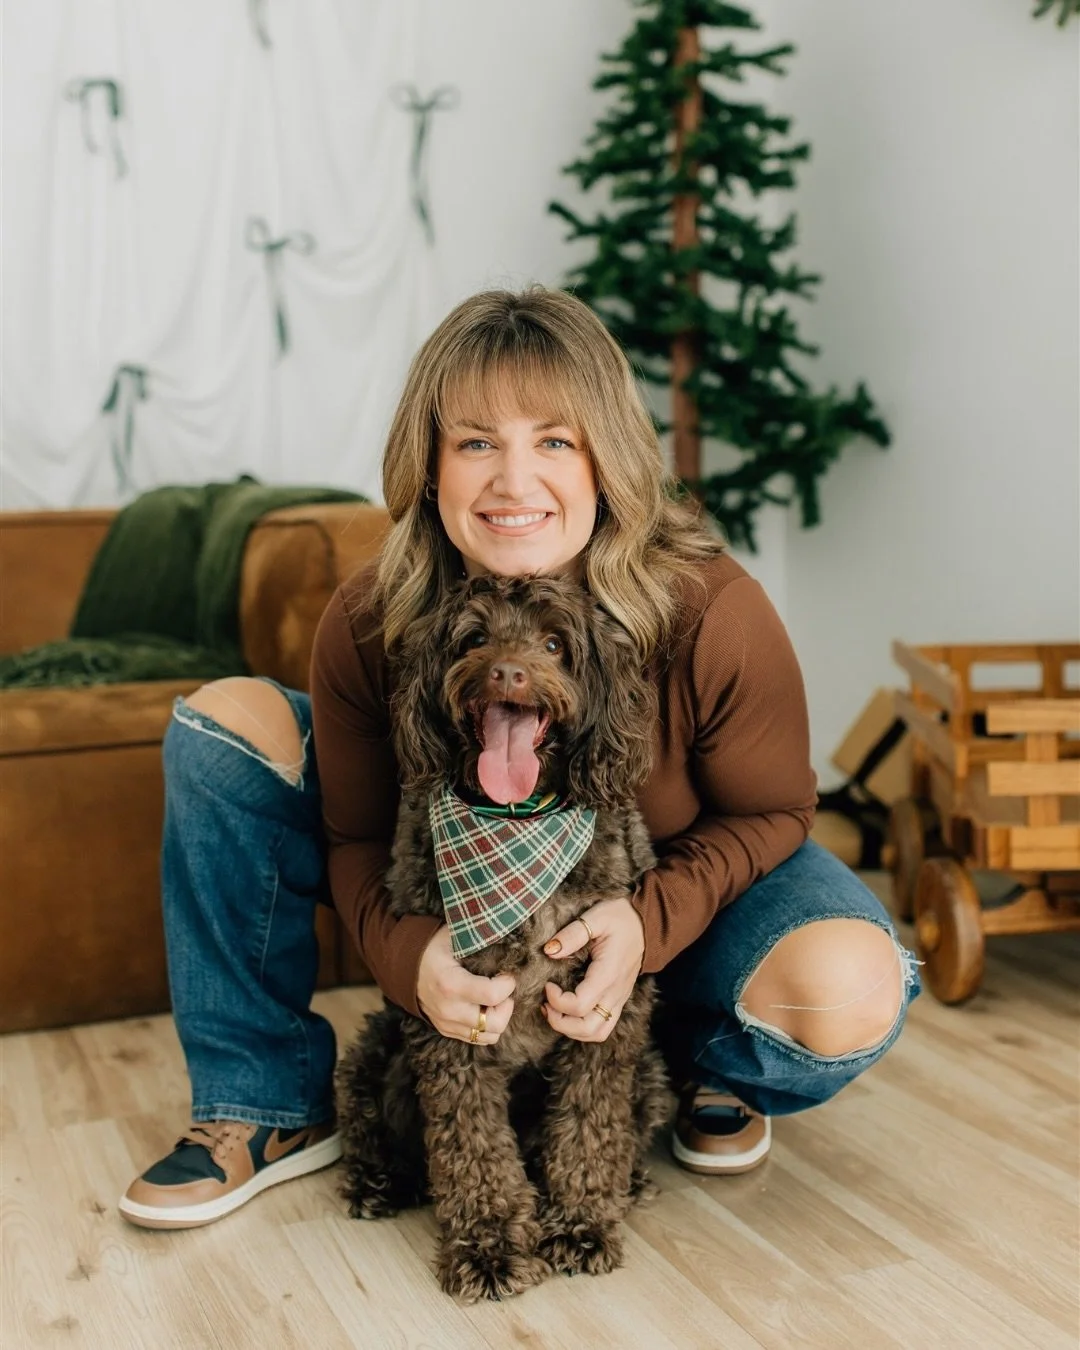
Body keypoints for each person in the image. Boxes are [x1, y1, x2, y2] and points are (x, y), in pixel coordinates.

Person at [119, 287, 921, 1230]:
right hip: (458, 904)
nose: (513, 480)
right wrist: (412, 957)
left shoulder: (709, 606)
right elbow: (357, 836)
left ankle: (696, 1064)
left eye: (553, 440)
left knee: (847, 989)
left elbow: (776, 811)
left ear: (606, 459)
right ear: (428, 465)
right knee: (223, 726)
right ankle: (264, 1108)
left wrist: (645, 926)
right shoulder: (375, 615)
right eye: (474, 443)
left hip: (676, 891)